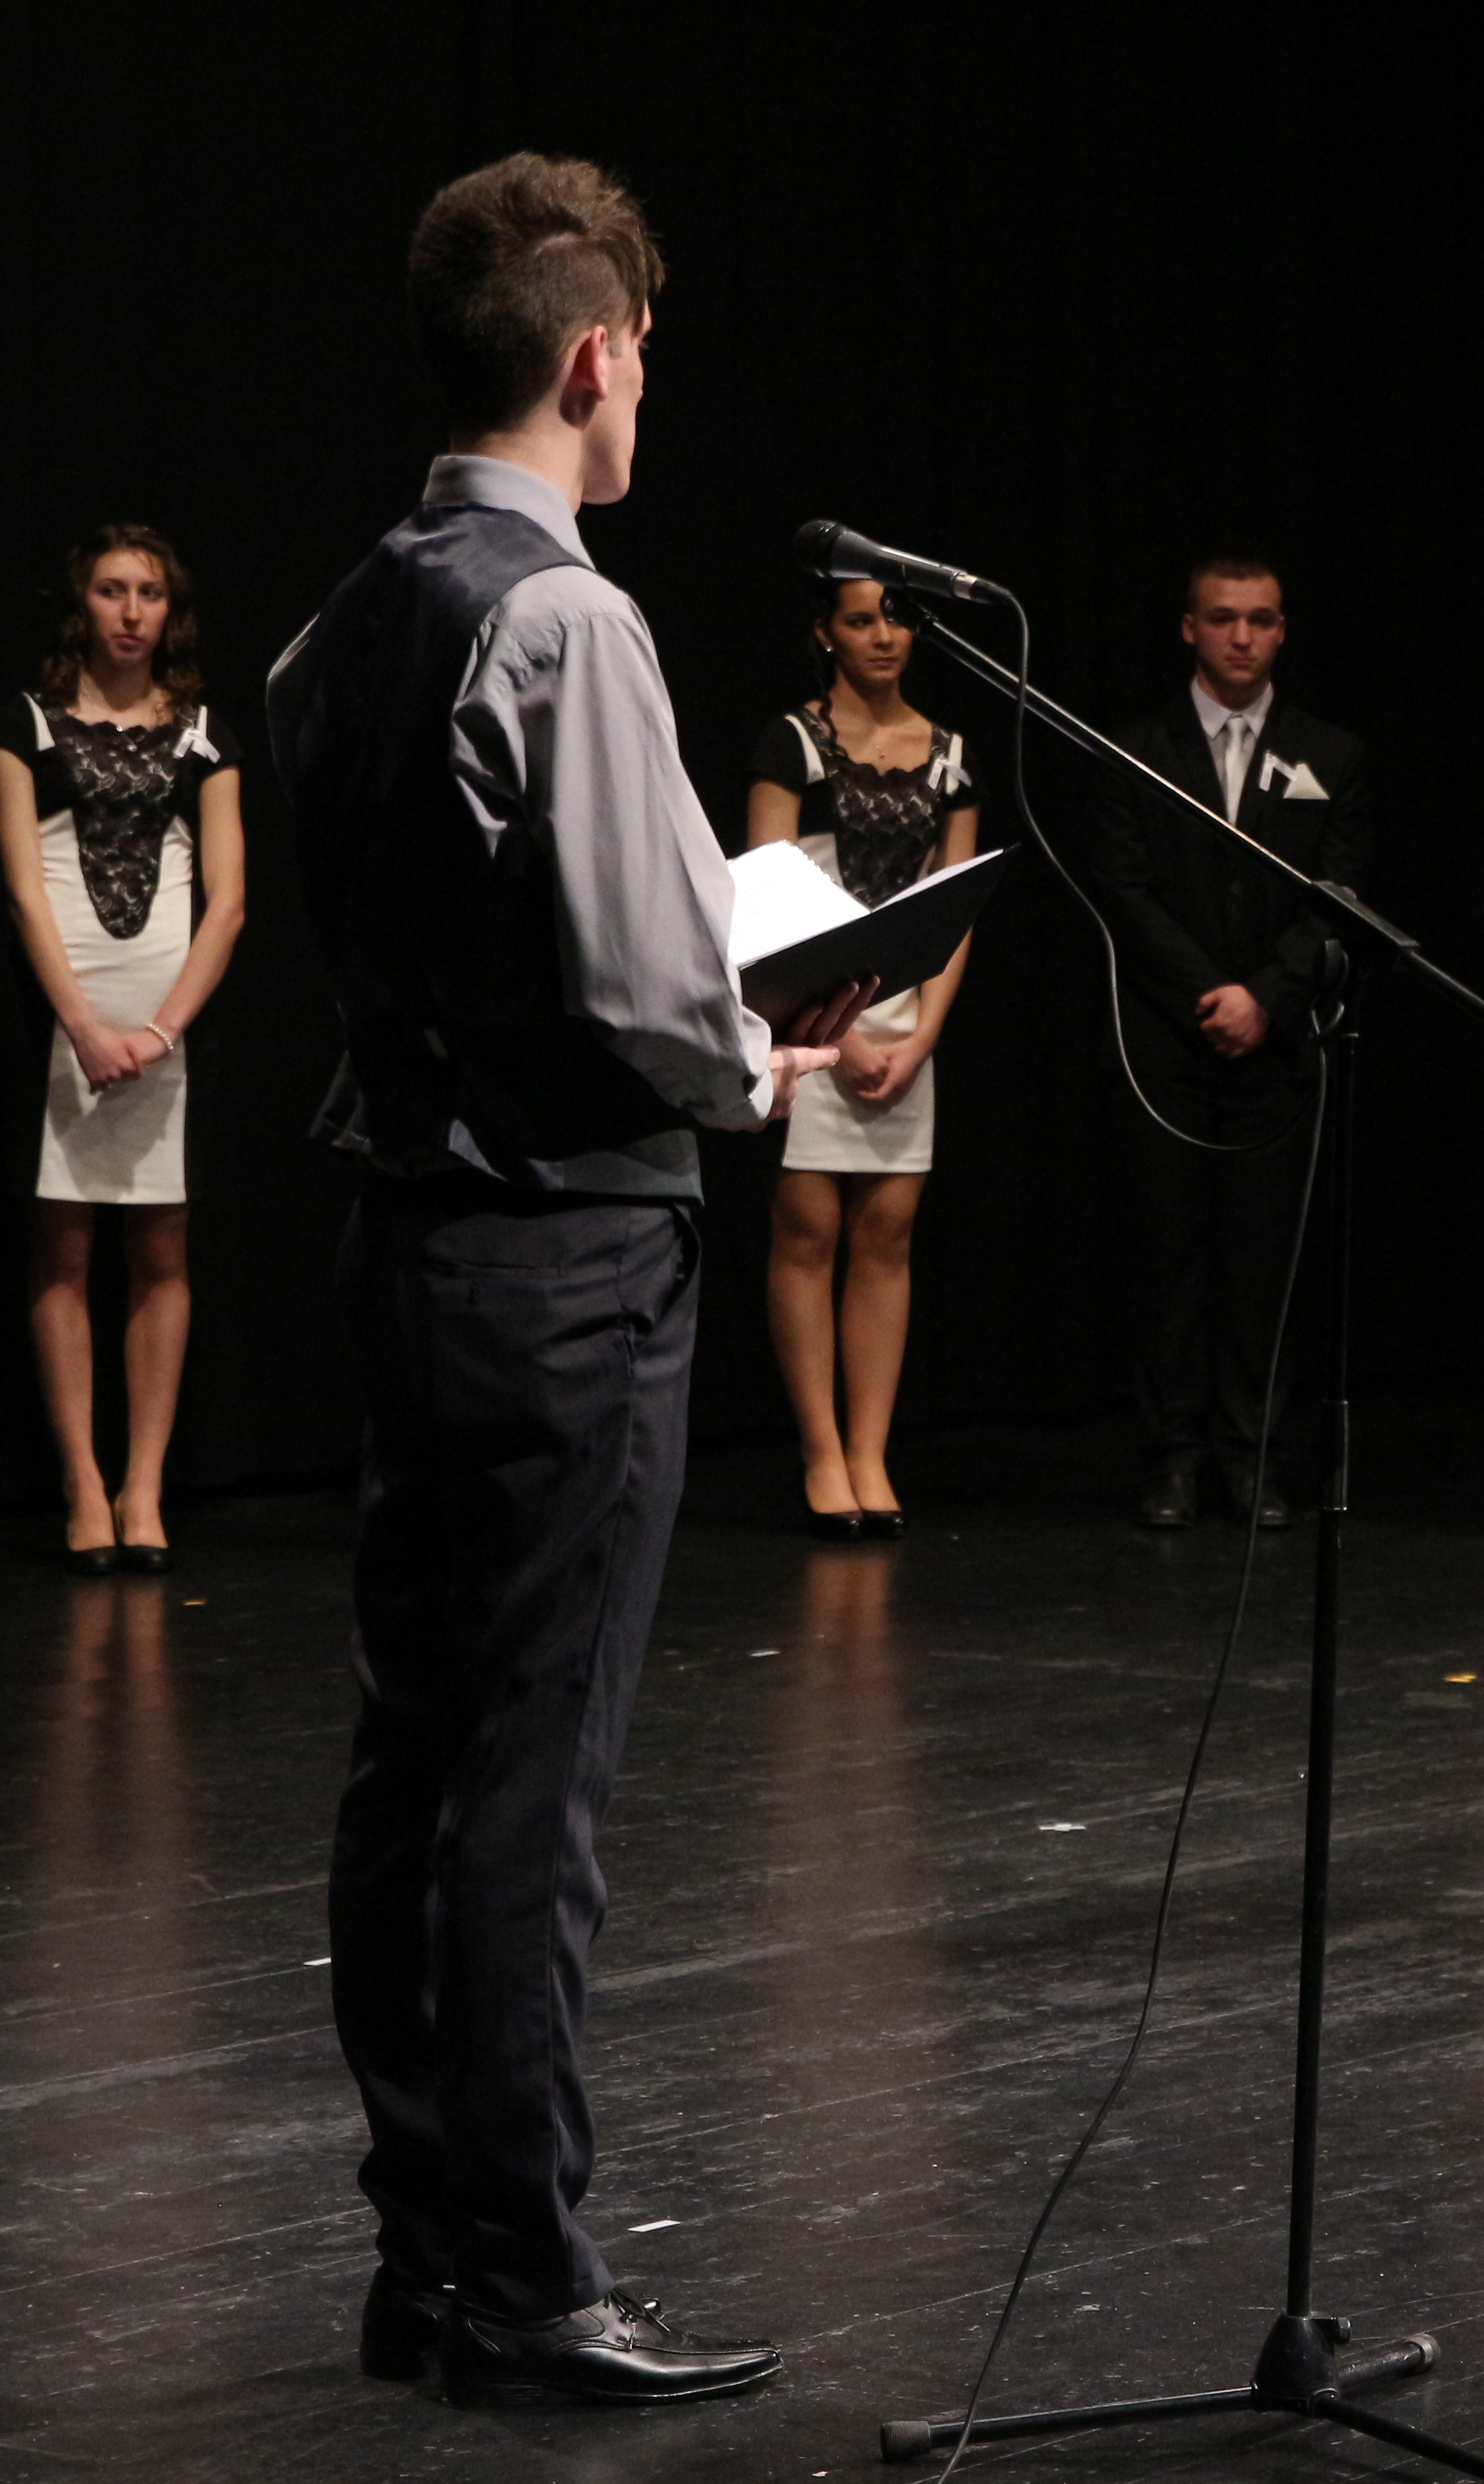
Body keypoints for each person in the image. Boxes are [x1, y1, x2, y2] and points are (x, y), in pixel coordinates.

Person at [267, 153, 867, 2407]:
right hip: (571, 1245)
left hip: (414, 1232)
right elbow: (641, 984)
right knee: (533, 1776)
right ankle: (521, 2275)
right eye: (648, 357)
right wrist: (758, 1056)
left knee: (417, 1754)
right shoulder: (566, 617)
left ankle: (430, 2257)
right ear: (598, 356)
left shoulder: (345, 614)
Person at [1088, 548, 1370, 1530]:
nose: (1241, 637)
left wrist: (1266, 997)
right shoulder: (1135, 749)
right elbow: (1123, 891)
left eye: (1259, 620)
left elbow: (1340, 897)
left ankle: (1254, 1459)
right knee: (1169, 1259)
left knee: (1263, 1263)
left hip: (1278, 1049)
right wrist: (1210, 994)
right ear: (1189, 629)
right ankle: (1172, 1459)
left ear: (1282, 631)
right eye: (1222, 619)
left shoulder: (1331, 754)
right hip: (1168, 1046)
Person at [0, 525, 248, 1573]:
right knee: (62, 1250)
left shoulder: (204, 735)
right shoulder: (25, 726)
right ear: (80, 605)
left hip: (169, 1022)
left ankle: (143, 1485)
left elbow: (229, 903)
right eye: (111, 591)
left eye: (149, 592)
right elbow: (22, 890)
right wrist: (84, 1027)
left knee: (161, 1250)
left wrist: (159, 1030)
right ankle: (82, 1485)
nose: (131, 611)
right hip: (63, 1017)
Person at [745, 576, 982, 1541]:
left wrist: (923, 1036)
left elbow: (957, 903)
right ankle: (821, 1450)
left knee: (887, 1234)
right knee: (807, 1230)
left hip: (907, 1021)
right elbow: (764, 888)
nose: (882, 636)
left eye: (895, 619)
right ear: (824, 633)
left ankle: (872, 1451)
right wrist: (831, 1038)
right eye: (859, 620)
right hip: (814, 1014)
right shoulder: (792, 741)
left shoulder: (951, 752)